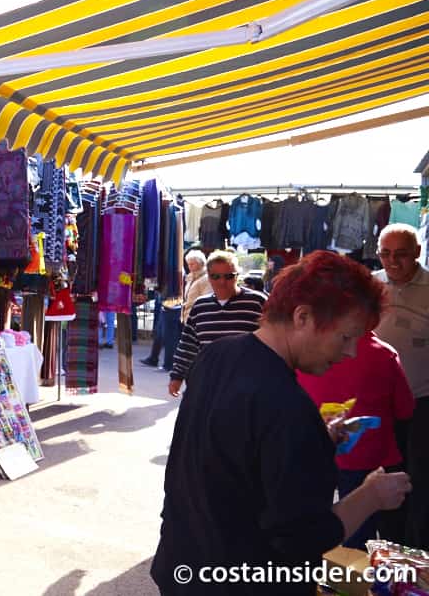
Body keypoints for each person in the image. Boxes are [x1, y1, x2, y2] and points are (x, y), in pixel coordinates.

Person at [152, 251, 412, 596]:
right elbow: (302, 537)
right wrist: (371, 495)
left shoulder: (217, 354)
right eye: (346, 337)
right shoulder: (287, 405)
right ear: (302, 316)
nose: (351, 352)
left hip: (184, 562)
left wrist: (317, 441)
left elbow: (235, 457)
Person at [297, 332, 415, 548]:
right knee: (366, 530)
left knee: (316, 526)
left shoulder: (305, 354)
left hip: (316, 453)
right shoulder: (384, 354)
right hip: (370, 459)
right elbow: (405, 409)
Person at [373, 223, 429, 547]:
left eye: (401, 254)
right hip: (380, 402)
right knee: (385, 474)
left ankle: (418, 549)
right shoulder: (370, 285)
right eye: (386, 254)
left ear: (418, 253)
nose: (392, 261)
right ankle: (391, 547)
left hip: (423, 400)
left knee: (420, 477)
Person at [168, 251, 265, 397]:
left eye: (229, 276)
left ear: (237, 276)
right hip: (208, 384)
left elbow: (274, 341)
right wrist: (177, 376)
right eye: (215, 276)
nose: (222, 282)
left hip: (248, 386)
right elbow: (188, 344)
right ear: (208, 277)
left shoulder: (258, 303)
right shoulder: (200, 306)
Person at [143, 251, 211, 369]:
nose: (190, 266)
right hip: (184, 313)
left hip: (194, 316)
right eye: (189, 263)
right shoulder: (190, 277)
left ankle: (175, 365)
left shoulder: (205, 279)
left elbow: (205, 298)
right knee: (172, 339)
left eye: (193, 264)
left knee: (183, 342)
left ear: (201, 263)